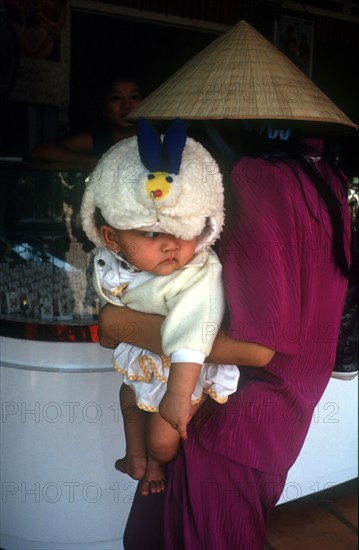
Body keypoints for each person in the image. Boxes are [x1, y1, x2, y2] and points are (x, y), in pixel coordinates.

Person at [97, 20, 355, 550]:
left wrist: (118, 322)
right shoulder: (322, 175)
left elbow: (259, 347)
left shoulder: (255, 181)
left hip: (234, 422)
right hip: (274, 417)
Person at [80, 118, 239, 497]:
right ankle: (135, 457)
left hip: (185, 366)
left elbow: (195, 326)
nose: (171, 246)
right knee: (128, 396)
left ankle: (154, 462)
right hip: (147, 358)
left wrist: (179, 395)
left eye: (182, 231)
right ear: (112, 238)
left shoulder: (198, 272)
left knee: (163, 441)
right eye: (151, 233)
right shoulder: (112, 258)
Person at [30, 75, 143, 166]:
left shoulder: (157, 137)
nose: (126, 105)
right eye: (116, 98)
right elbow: (40, 152)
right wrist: (94, 160)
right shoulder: (97, 139)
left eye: (133, 97)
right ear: (104, 108)